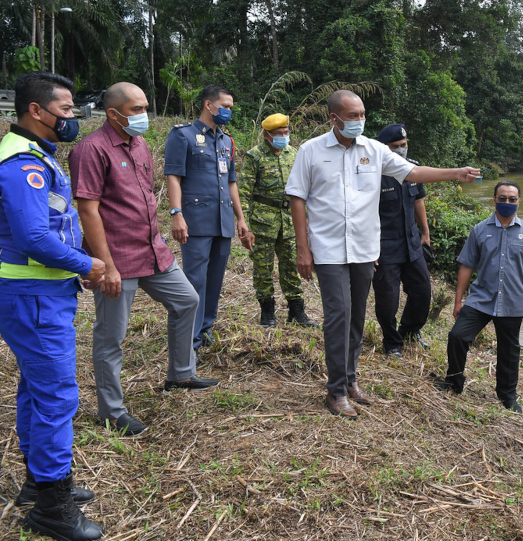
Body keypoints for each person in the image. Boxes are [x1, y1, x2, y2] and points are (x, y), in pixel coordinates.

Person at [285, 90, 481, 419]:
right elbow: (297, 198)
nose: (359, 120)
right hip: (329, 249)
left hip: (364, 248)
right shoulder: (311, 151)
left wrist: (455, 172)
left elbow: (413, 173)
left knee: (357, 316)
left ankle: (349, 380)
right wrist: (303, 249)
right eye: (352, 116)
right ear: (334, 119)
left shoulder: (374, 150)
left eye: (362, 114)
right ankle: (334, 391)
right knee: (338, 316)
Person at [69, 83, 219, 439]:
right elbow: (88, 210)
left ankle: (180, 373)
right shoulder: (91, 150)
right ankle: (112, 412)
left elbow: (145, 195)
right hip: (117, 256)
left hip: (152, 250)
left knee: (187, 300)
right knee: (111, 336)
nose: (143, 116)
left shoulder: (138, 144)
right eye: (136, 109)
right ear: (113, 113)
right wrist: (105, 265)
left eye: (145, 107)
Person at [0, 72, 105, 540]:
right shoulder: (23, 164)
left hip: (41, 295)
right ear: (36, 112)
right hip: (33, 297)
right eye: (65, 110)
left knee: (35, 388)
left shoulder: (37, 155)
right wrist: (88, 263)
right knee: (57, 396)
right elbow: (34, 236)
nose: (73, 119)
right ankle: (52, 508)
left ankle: (36, 483)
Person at [435, 181, 523, 414]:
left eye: (512, 199)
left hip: (513, 302)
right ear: (494, 200)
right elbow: (466, 266)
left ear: (519, 201)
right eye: (502, 198)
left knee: (509, 351)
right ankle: (454, 381)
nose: (507, 203)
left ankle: (507, 397)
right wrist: (458, 301)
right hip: (480, 299)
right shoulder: (480, 230)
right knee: (457, 336)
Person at [163, 85, 252, 352]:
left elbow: (231, 182)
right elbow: (173, 177)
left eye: (231, 108)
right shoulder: (183, 135)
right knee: (194, 282)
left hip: (222, 221)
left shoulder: (227, 141)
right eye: (225, 106)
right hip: (196, 222)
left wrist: (241, 218)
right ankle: (187, 342)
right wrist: (176, 213)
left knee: (214, 280)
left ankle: (204, 331)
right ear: (208, 105)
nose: (228, 111)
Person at [239, 113, 316, 328]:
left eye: (286, 132)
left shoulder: (294, 154)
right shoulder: (254, 157)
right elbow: (243, 192)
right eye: (278, 133)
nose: (284, 136)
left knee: (291, 266)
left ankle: (297, 312)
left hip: (291, 221)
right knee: (263, 268)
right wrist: (244, 223)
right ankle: (267, 312)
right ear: (266, 135)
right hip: (263, 221)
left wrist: (308, 219)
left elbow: (305, 190)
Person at [372, 124, 432, 357]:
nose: (400, 150)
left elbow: (418, 201)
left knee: (422, 291)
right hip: (384, 245)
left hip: (412, 242)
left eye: (403, 145)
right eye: (394, 147)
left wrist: (425, 232)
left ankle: (410, 331)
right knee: (388, 298)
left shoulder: (414, 168)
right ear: (383, 148)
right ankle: (392, 342)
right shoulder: (374, 172)